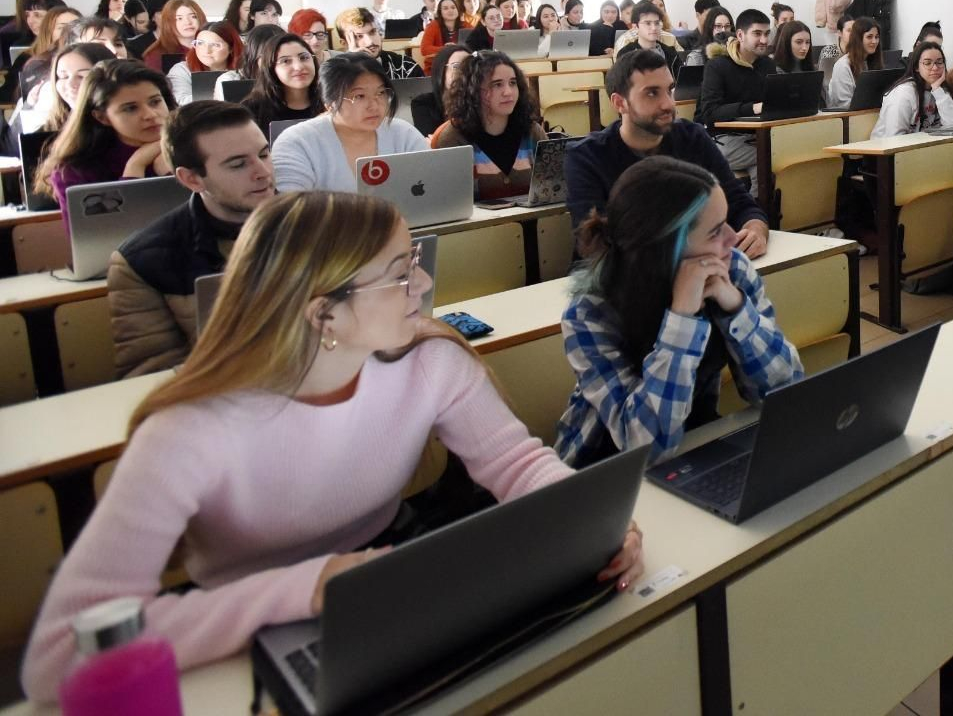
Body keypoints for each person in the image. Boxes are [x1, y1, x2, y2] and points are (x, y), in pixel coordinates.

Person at [21, 190, 642, 701]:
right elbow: (57, 654)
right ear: (324, 315)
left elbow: (515, 463)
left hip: (387, 580)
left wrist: (590, 522)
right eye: (401, 273)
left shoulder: (429, 358)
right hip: (243, 624)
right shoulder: (190, 430)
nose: (425, 282)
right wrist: (313, 588)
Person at [554, 156, 799, 467]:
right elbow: (645, 446)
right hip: (603, 470)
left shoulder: (730, 270)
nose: (732, 238)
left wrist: (737, 308)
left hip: (693, 444)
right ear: (666, 248)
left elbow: (785, 390)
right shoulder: (590, 313)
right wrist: (681, 320)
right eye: (714, 232)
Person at [107, 101, 276, 378]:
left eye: (264, 154)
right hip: (225, 392)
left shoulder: (320, 223)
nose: (263, 172)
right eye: (238, 164)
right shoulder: (142, 261)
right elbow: (152, 372)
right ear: (192, 179)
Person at [567, 49, 770, 257]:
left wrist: (755, 230)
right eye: (652, 93)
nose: (668, 104)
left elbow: (740, 202)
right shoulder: (587, 157)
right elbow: (595, 243)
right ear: (620, 103)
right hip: (616, 274)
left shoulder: (693, 138)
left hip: (694, 263)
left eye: (670, 90)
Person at [35, 60, 177, 216]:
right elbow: (111, 229)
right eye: (131, 108)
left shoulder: (190, 145)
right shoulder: (74, 171)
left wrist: (172, 173)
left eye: (155, 102)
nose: (150, 114)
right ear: (102, 117)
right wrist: (135, 167)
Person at [271, 53, 429, 194]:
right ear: (330, 103)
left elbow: (431, 184)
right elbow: (291, 207)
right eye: (359, 96)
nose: (374, 105)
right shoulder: (297, 142)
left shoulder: (403, 134)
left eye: (381, 93)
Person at [428, 50, 548, 201]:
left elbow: (552, 189)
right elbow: (449, 202)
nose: (508, 92)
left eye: (513, 83)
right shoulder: (451, 139)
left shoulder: (532, 131)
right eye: (497, 85)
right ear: (473, 90)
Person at [696, 9, 777, 177]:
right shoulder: (717, 65)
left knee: (776, 156)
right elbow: (709, 113)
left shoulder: (767, 64)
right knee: (769, 155)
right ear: (740, 35)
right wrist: (752, 108)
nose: (764, 40)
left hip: (756, 137)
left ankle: (762, 196)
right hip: (721, 139)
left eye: (767, 34)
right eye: (757, 34)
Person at [872, 41, 953, 137]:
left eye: (939, 62)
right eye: (928, 63)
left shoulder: (940, 89)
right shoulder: (903, 93)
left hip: (923, 144)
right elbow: (894, 137)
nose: (935, 68)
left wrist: (937, 90)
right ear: (916, 67)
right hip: (888, 145)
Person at [244, 32, 322, 134]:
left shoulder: (331, 101)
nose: (299, 67)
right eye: (285, 61)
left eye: (304, 58)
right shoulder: (252, 111)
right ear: (271, 68)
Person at [167, 20, 244, 105]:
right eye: (200, 43)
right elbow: (181, 101)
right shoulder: (182, 70)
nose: (207, 51)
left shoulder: (244, 69)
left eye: (215, 45)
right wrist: (220, 95)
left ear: (231, 48)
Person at [339, 8, 422, 80]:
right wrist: (352, 62)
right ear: (344, 44)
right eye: (359, 36)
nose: (370, 41)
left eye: (373, 32)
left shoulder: (406, 66)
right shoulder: (337, 73)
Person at [409, 43, 466, 138]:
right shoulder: (423, 103)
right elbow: (432, 142)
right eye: (457, 67)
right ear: (441, 70)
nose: (465, 72)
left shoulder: (480, 101)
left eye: (470, 65)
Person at [826, 16, 884, 108]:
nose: (874, 41)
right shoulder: (843, 65)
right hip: (847, 115)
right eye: (869, 37)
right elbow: (843, 104)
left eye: (877, 37)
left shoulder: (872, 62)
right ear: (858, 39)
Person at [614, 0, 683, 74]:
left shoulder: (671, 52)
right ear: (635, 27)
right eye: (648, 23)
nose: (654, 28)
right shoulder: (625, 55)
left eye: (657, 23)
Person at [419, 0, 473, 73]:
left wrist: (456, 49)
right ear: (440, 12)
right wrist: (446, 49)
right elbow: (425, 49)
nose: (450, 10)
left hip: (462, 67)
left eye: (453, 7)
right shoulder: (433, 26)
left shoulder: (466, 26)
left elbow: (474, 47)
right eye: (445, 8)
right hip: (437, 68)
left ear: (458, 10)